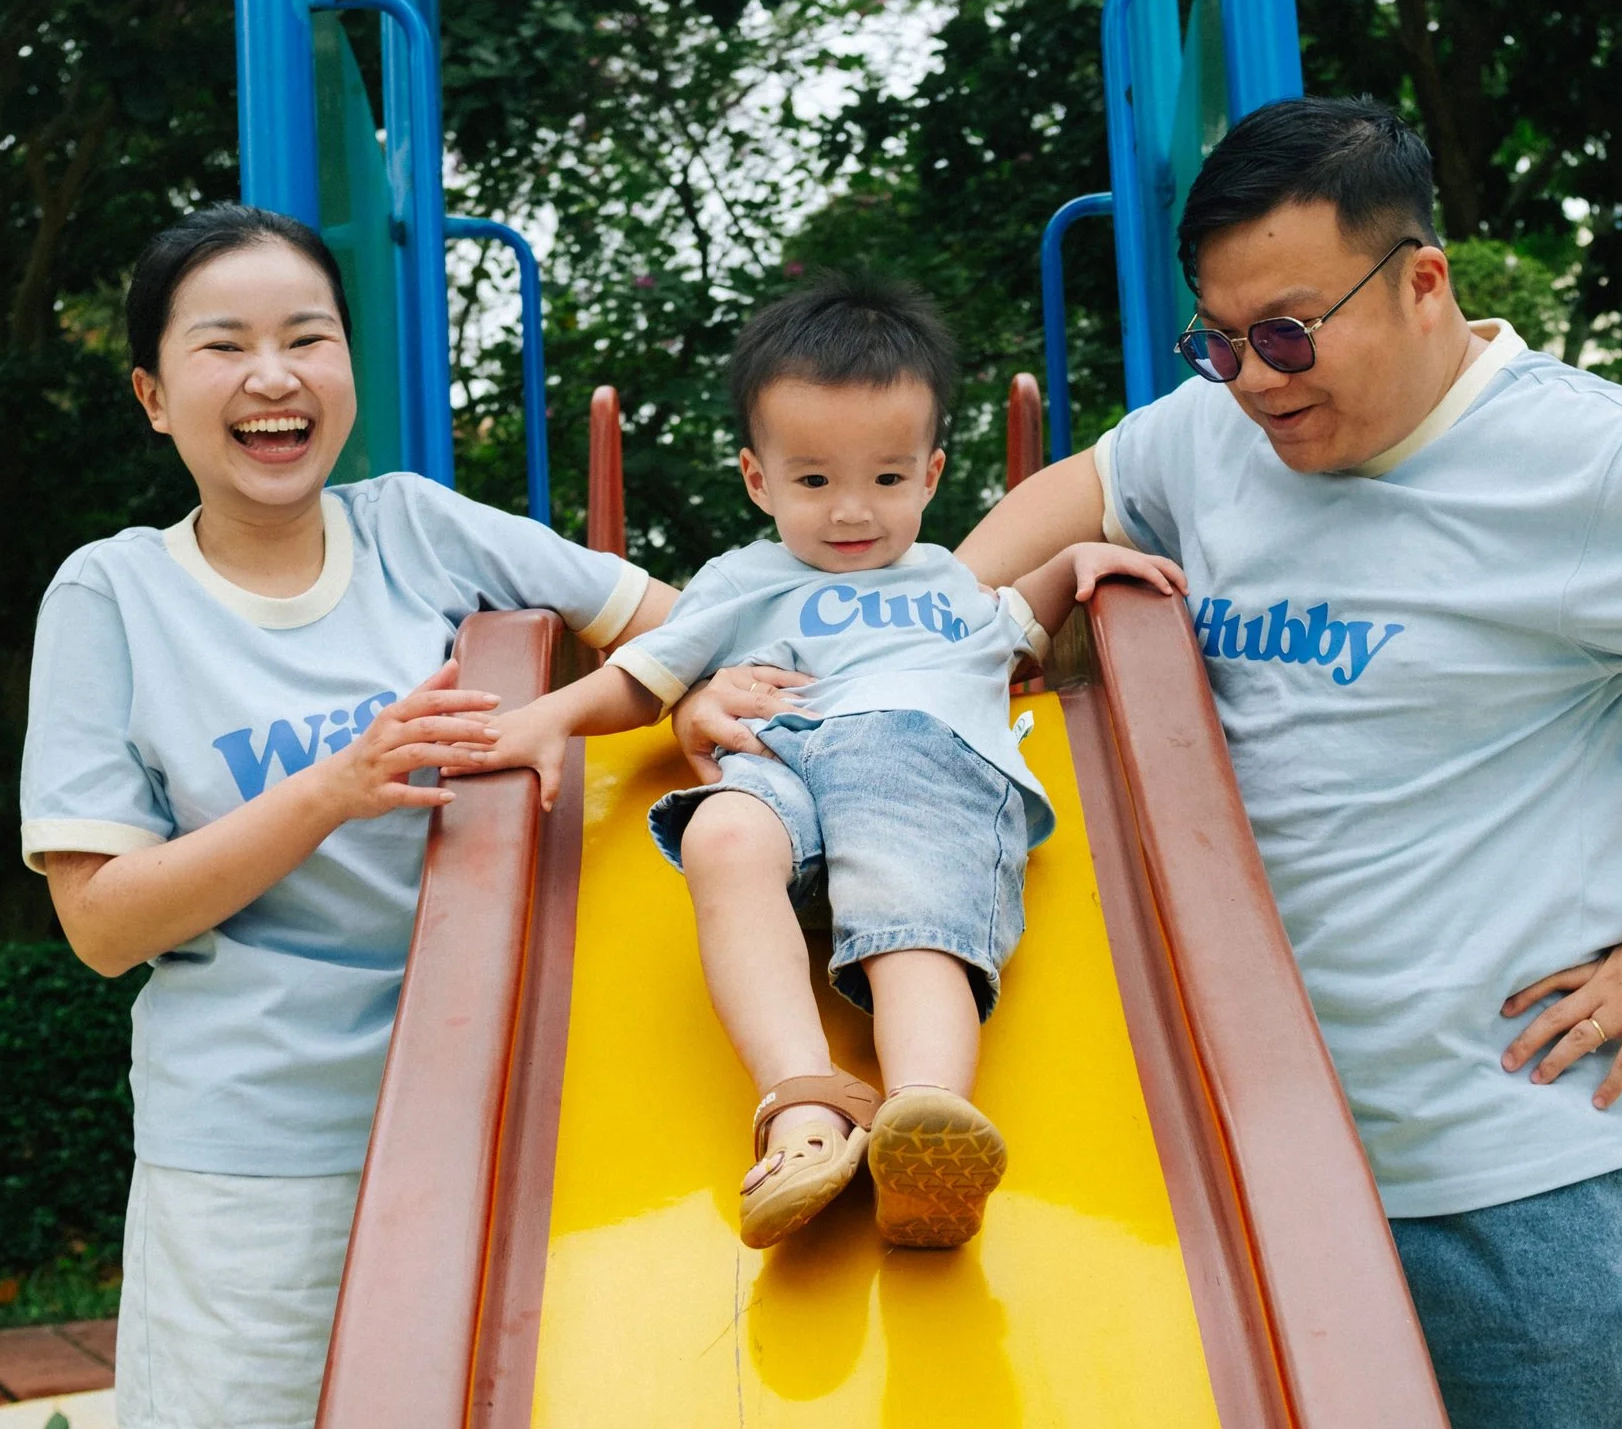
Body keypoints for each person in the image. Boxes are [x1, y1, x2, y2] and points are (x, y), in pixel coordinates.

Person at [945, 97, 1622, 1429]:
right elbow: (1076, 491)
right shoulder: (1222, 428)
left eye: (1290, 333)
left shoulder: (1604, 462)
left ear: (1422, 281)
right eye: (1219, 339)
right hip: (1272, 1172)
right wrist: (948, 630)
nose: (1255, 377)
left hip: (1530, 1184)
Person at [18, 204, 675, 1429]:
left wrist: (551, 718)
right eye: (224, 346)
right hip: (259, 1149)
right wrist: (333, 786)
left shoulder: (416, 526)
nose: (274, 375)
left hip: (497, 1111)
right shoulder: (112, 594)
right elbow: (102, 925)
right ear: (155, 395)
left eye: (306, 336)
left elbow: (670, 625)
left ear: (348, 372)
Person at [462, 276, 1181, 1250]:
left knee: (911, 917)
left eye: (886, 479)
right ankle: (802, 1107)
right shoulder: (743, 580)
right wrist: (550, 718)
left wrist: (1073, 565)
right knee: (717, 827)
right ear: (758, 480)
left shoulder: (950, 586)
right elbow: (648, 674)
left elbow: (1018, 629)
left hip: (919, 769)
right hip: (786, 762)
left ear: (931, 474)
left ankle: (923, 1122)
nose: (851, 510)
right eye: (813, 481)